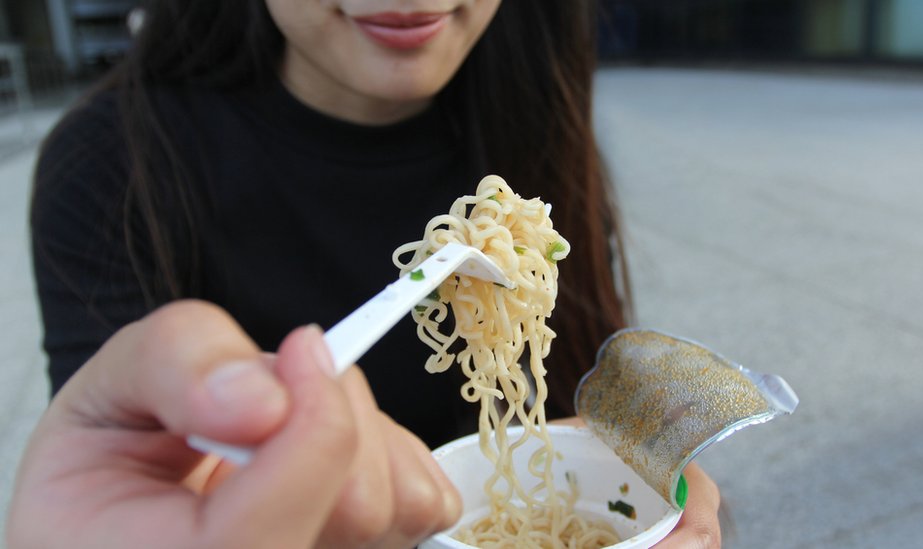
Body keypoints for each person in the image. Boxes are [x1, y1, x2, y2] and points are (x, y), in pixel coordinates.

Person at [11, 0, 721, 546]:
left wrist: (647, 470)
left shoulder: (530, 121)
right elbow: (126, 484)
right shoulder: (114, 167)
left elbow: (570, 397)